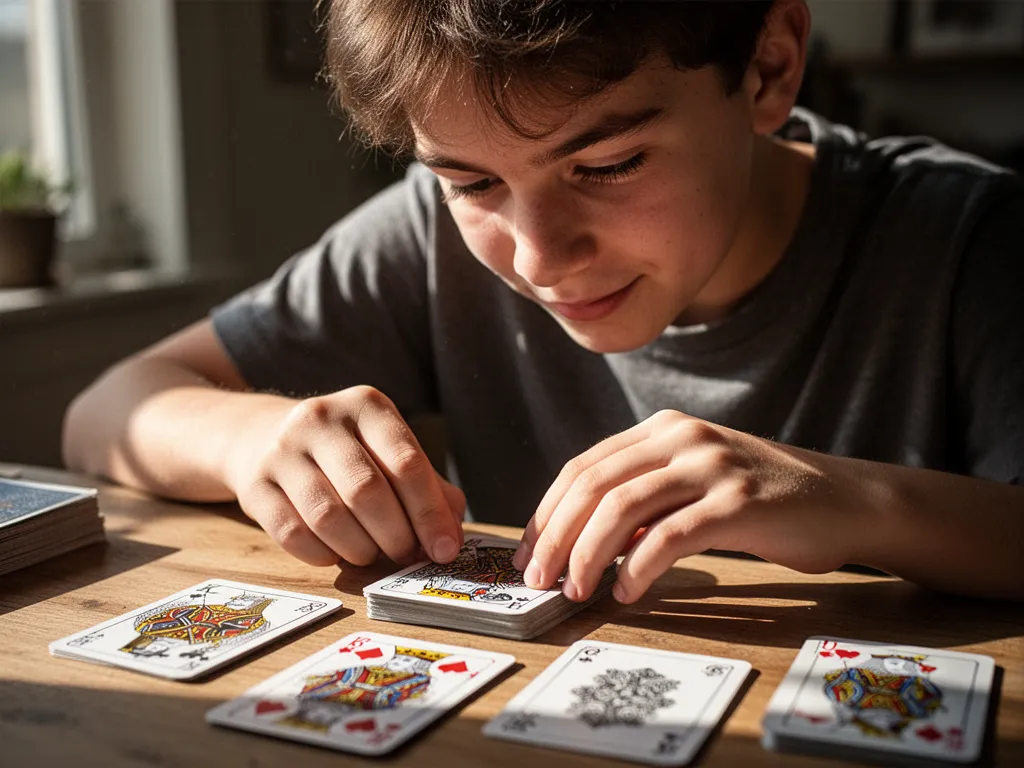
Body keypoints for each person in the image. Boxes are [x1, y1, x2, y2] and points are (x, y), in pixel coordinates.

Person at [63, 0, 1024, 604]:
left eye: (607, 164)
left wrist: (853, 500)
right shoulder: (423, 236)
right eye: (472, 183)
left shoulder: (972, 242)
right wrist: (249, 440)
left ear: (769, 66)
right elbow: (109, 409)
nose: (537, 255)